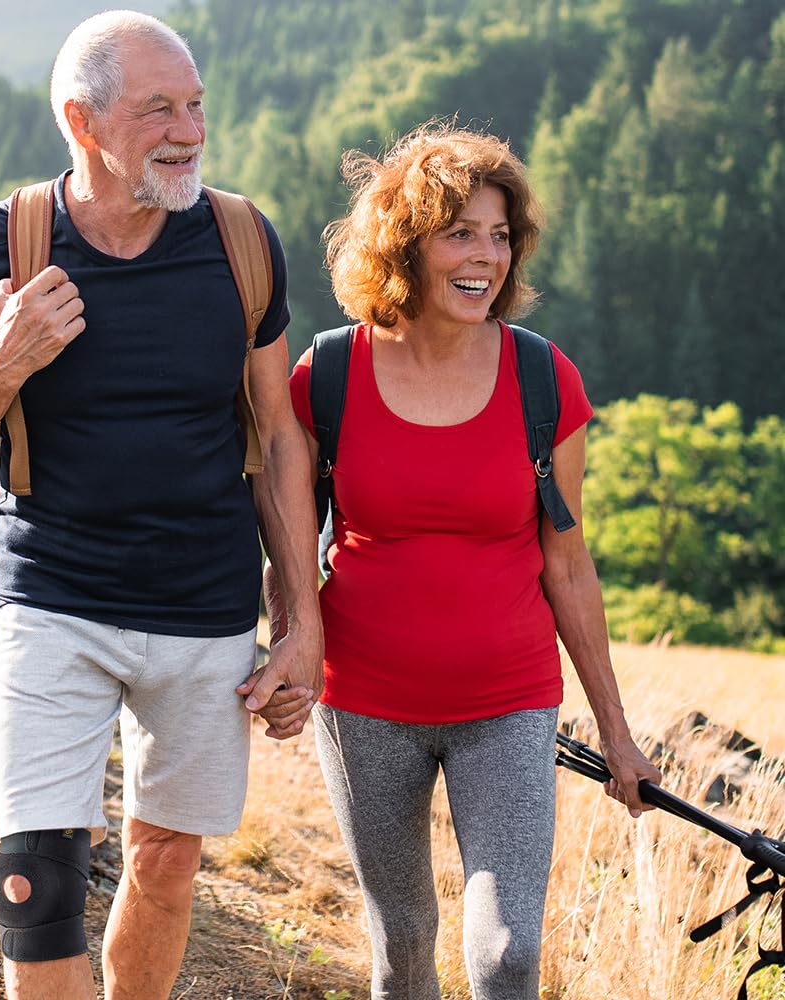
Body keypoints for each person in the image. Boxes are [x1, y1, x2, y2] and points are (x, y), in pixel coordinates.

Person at [0, 11, 322, 1000]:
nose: (189, 131)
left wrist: (303, 624)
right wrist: (2, 364)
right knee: (36, 881)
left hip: (205, 609)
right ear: (81, 122)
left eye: (196, 106)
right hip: (54, 599)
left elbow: (279, 438)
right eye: (159, 108)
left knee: (164, 862)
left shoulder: (242, 241)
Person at [264, 122, 662, 1000]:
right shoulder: (327, 375)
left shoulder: (544, 380)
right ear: (405, 246)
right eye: (460, 233)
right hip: (364, 704)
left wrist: (618, 735)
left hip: (508, 704)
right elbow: (289, 544)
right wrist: (291, 640)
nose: (486, 255)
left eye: (500, 235)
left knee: (508, 951)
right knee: (403, 946)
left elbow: (568, 566)